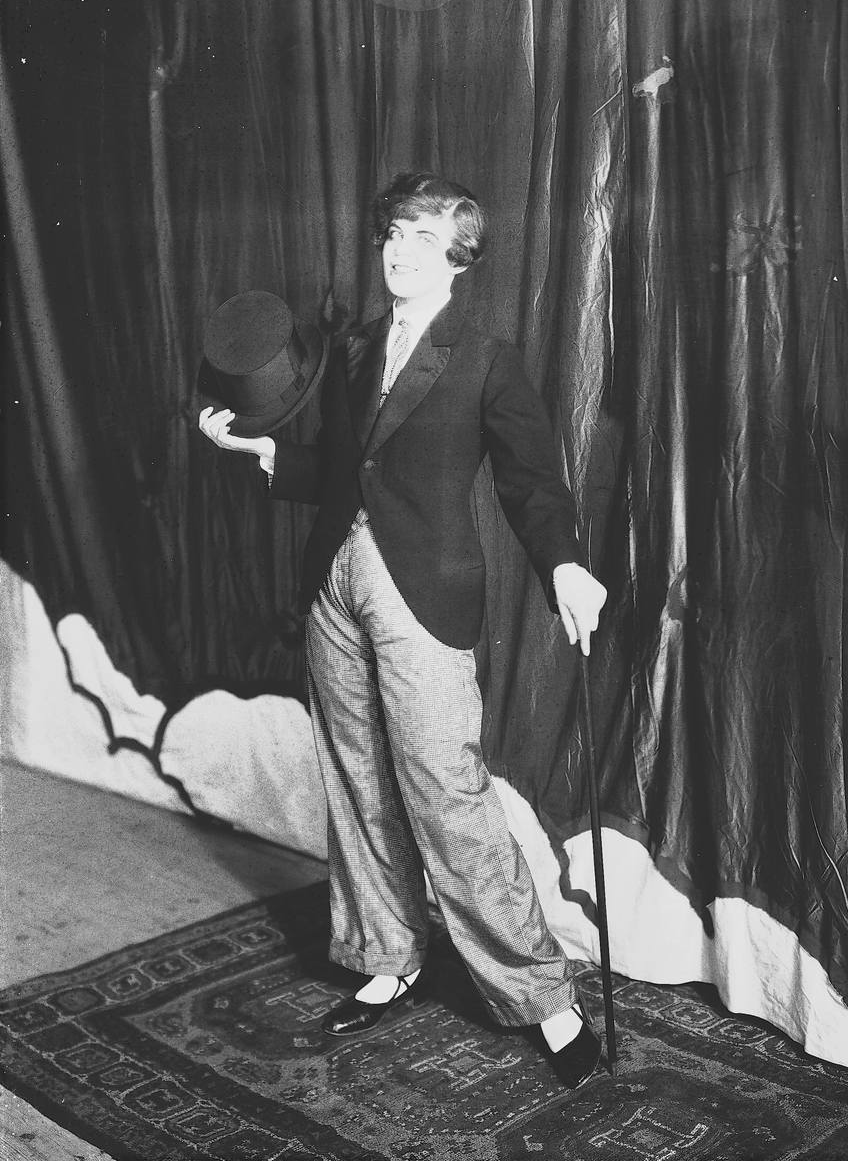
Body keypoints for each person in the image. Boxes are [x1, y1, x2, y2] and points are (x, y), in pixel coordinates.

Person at [199, 172, 608, 1088]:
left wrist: (563, 564)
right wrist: (262, 450)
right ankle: (387, 954)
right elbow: (347, 472)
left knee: (443, 788)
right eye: (393, 233)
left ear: (459, 259)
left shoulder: (486, 358)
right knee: (355, 776)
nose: (401, 251)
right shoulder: (353, 349)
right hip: (334, 586)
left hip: (422, 591)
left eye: (424, 238)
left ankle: (542, 996)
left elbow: (531, 482)